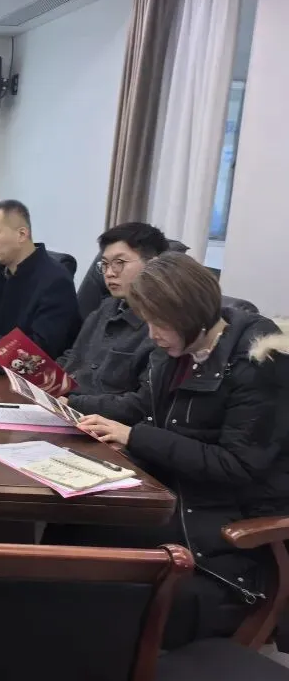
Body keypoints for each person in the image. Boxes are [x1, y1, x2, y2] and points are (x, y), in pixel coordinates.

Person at [65, 253, 288, 648]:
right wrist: (70, 404)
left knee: (99, 583)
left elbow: (236, 465)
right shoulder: (179, 350)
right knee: (72, 527)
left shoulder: (259, 365)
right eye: (148, 321)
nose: (152, 334)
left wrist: (136, 438)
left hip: (223, 536)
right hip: (180, 500)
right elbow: (141, 405)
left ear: (191, 314)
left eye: (160, 323)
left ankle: (100, 659)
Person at [61, 223, 169, 417]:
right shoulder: (106, 307)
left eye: (119, 262)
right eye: (104, 264)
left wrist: (72, 403)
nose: (109, 273)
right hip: (66, 408)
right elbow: (73, 358)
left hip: (102, 423)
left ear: (153, 264)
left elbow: (142, 405)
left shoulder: (163, 326)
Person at [0, 199, 80, 358]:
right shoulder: (0, 266)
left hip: (27, 368)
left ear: (22, 234)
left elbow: (41, 348)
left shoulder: (56, 280)